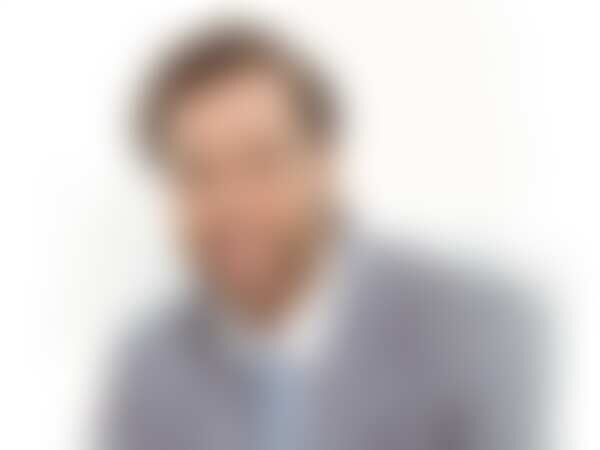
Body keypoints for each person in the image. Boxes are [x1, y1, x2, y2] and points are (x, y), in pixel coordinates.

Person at [103, 20, 545, 450]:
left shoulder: (472, 334)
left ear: (326, 166)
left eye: (260, 162)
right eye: (198, 173)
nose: (230, 203)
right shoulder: (154, 370)